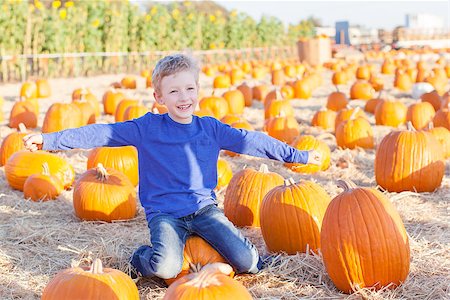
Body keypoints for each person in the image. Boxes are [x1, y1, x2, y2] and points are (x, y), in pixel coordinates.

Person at [23, 54, 323, 281]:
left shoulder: (210, 128)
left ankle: (237, 251)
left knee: (248, 263)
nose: (184, 98)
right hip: (165, 214)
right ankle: (138, 258)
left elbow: (251, 141)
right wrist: (49, 140)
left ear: (198, 91)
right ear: (159, 97)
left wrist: (297, 155)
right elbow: (100, 132)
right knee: (165, 268)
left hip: (204, 210)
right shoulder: (147, 127)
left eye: (189, 89)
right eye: (174, 92)